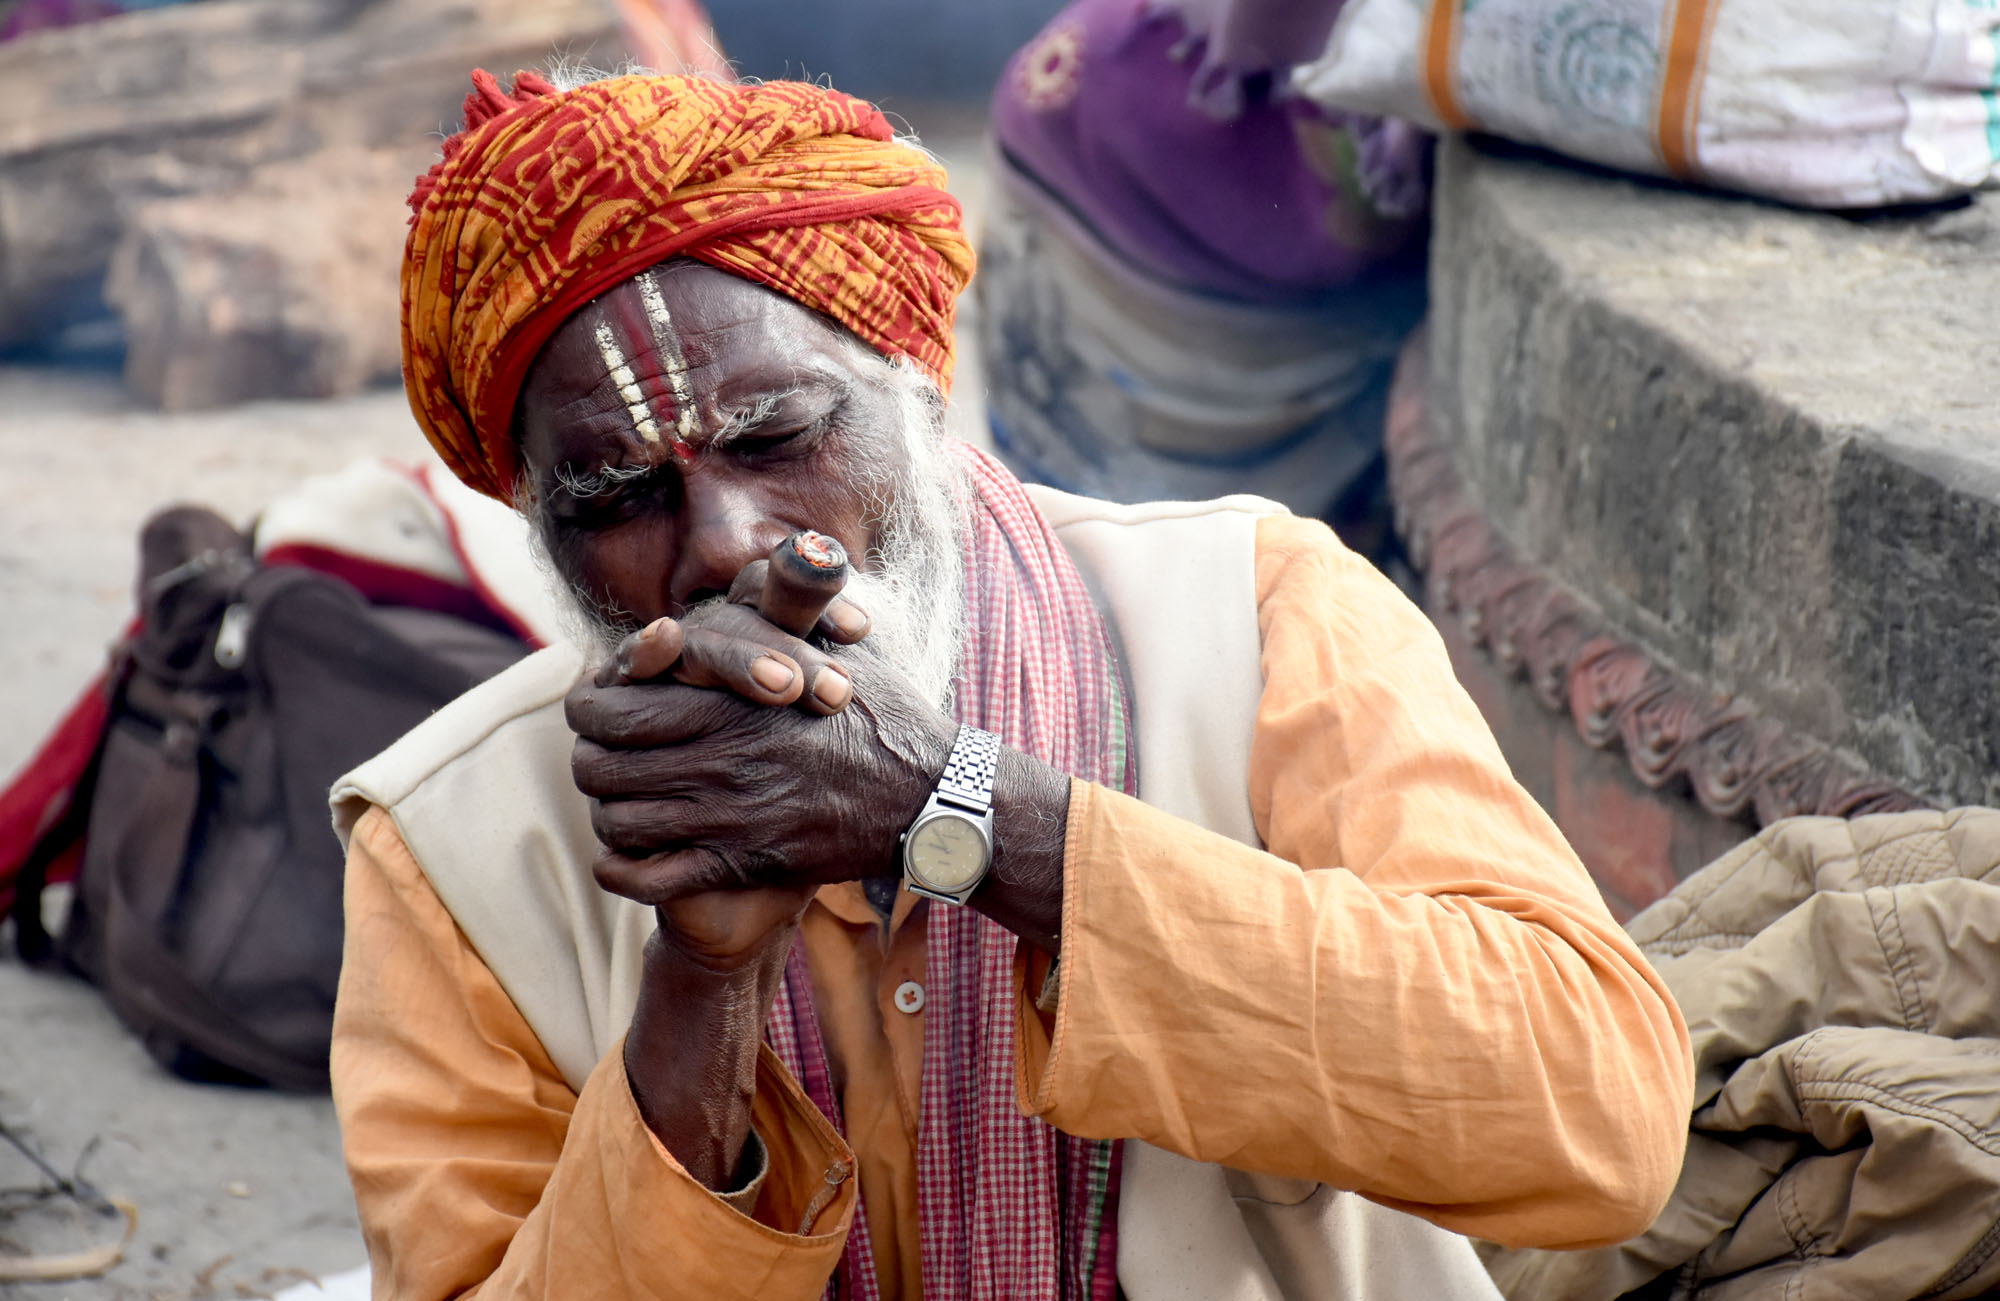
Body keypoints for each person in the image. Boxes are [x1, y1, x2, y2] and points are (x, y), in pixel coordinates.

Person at [328, 67, 1694, 1300]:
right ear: (544, 535)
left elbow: (1599, 1120)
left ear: (918, 395)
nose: (725, 545)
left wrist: (960, 808)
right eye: (614, 495)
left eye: (780, 435)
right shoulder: (450, 844)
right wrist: (701, 981)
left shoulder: (1258, 614)